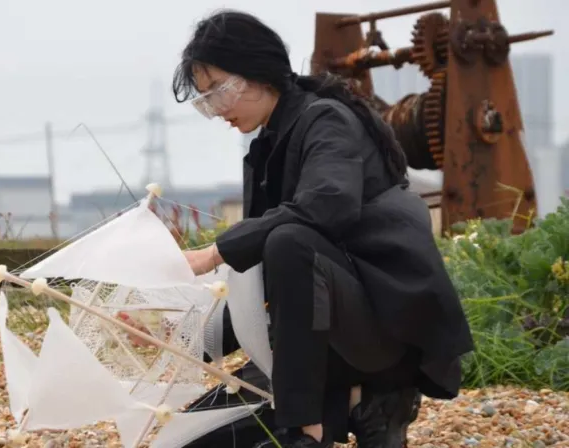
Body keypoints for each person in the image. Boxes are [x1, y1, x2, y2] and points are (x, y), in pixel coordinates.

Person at [169, 9, 475, 448]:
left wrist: (213, 253)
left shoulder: (326, 120)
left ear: (256, 72)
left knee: (290, 239)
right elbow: (258, 280)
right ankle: (342, 403)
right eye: (206, 102)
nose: (216, 111)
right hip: (310, 351)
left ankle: (317, 424)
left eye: (217, 92)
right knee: (190, 439)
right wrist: (181, 336)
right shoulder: (265, 149)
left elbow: (325, 207)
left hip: (376, 331)